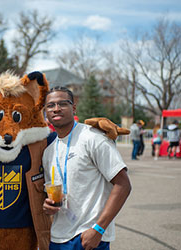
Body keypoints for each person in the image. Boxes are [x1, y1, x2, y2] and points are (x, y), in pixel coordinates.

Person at [42, 86, 131, 250]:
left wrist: (98, 229)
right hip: (58, 238)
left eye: (63, 103)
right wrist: (48, 205)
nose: (56, 109)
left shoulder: (93, 137)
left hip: (89, 237)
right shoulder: (48, 152)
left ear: (73, 107)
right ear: (45, 112)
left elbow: (123, 184)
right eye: (50, 105)